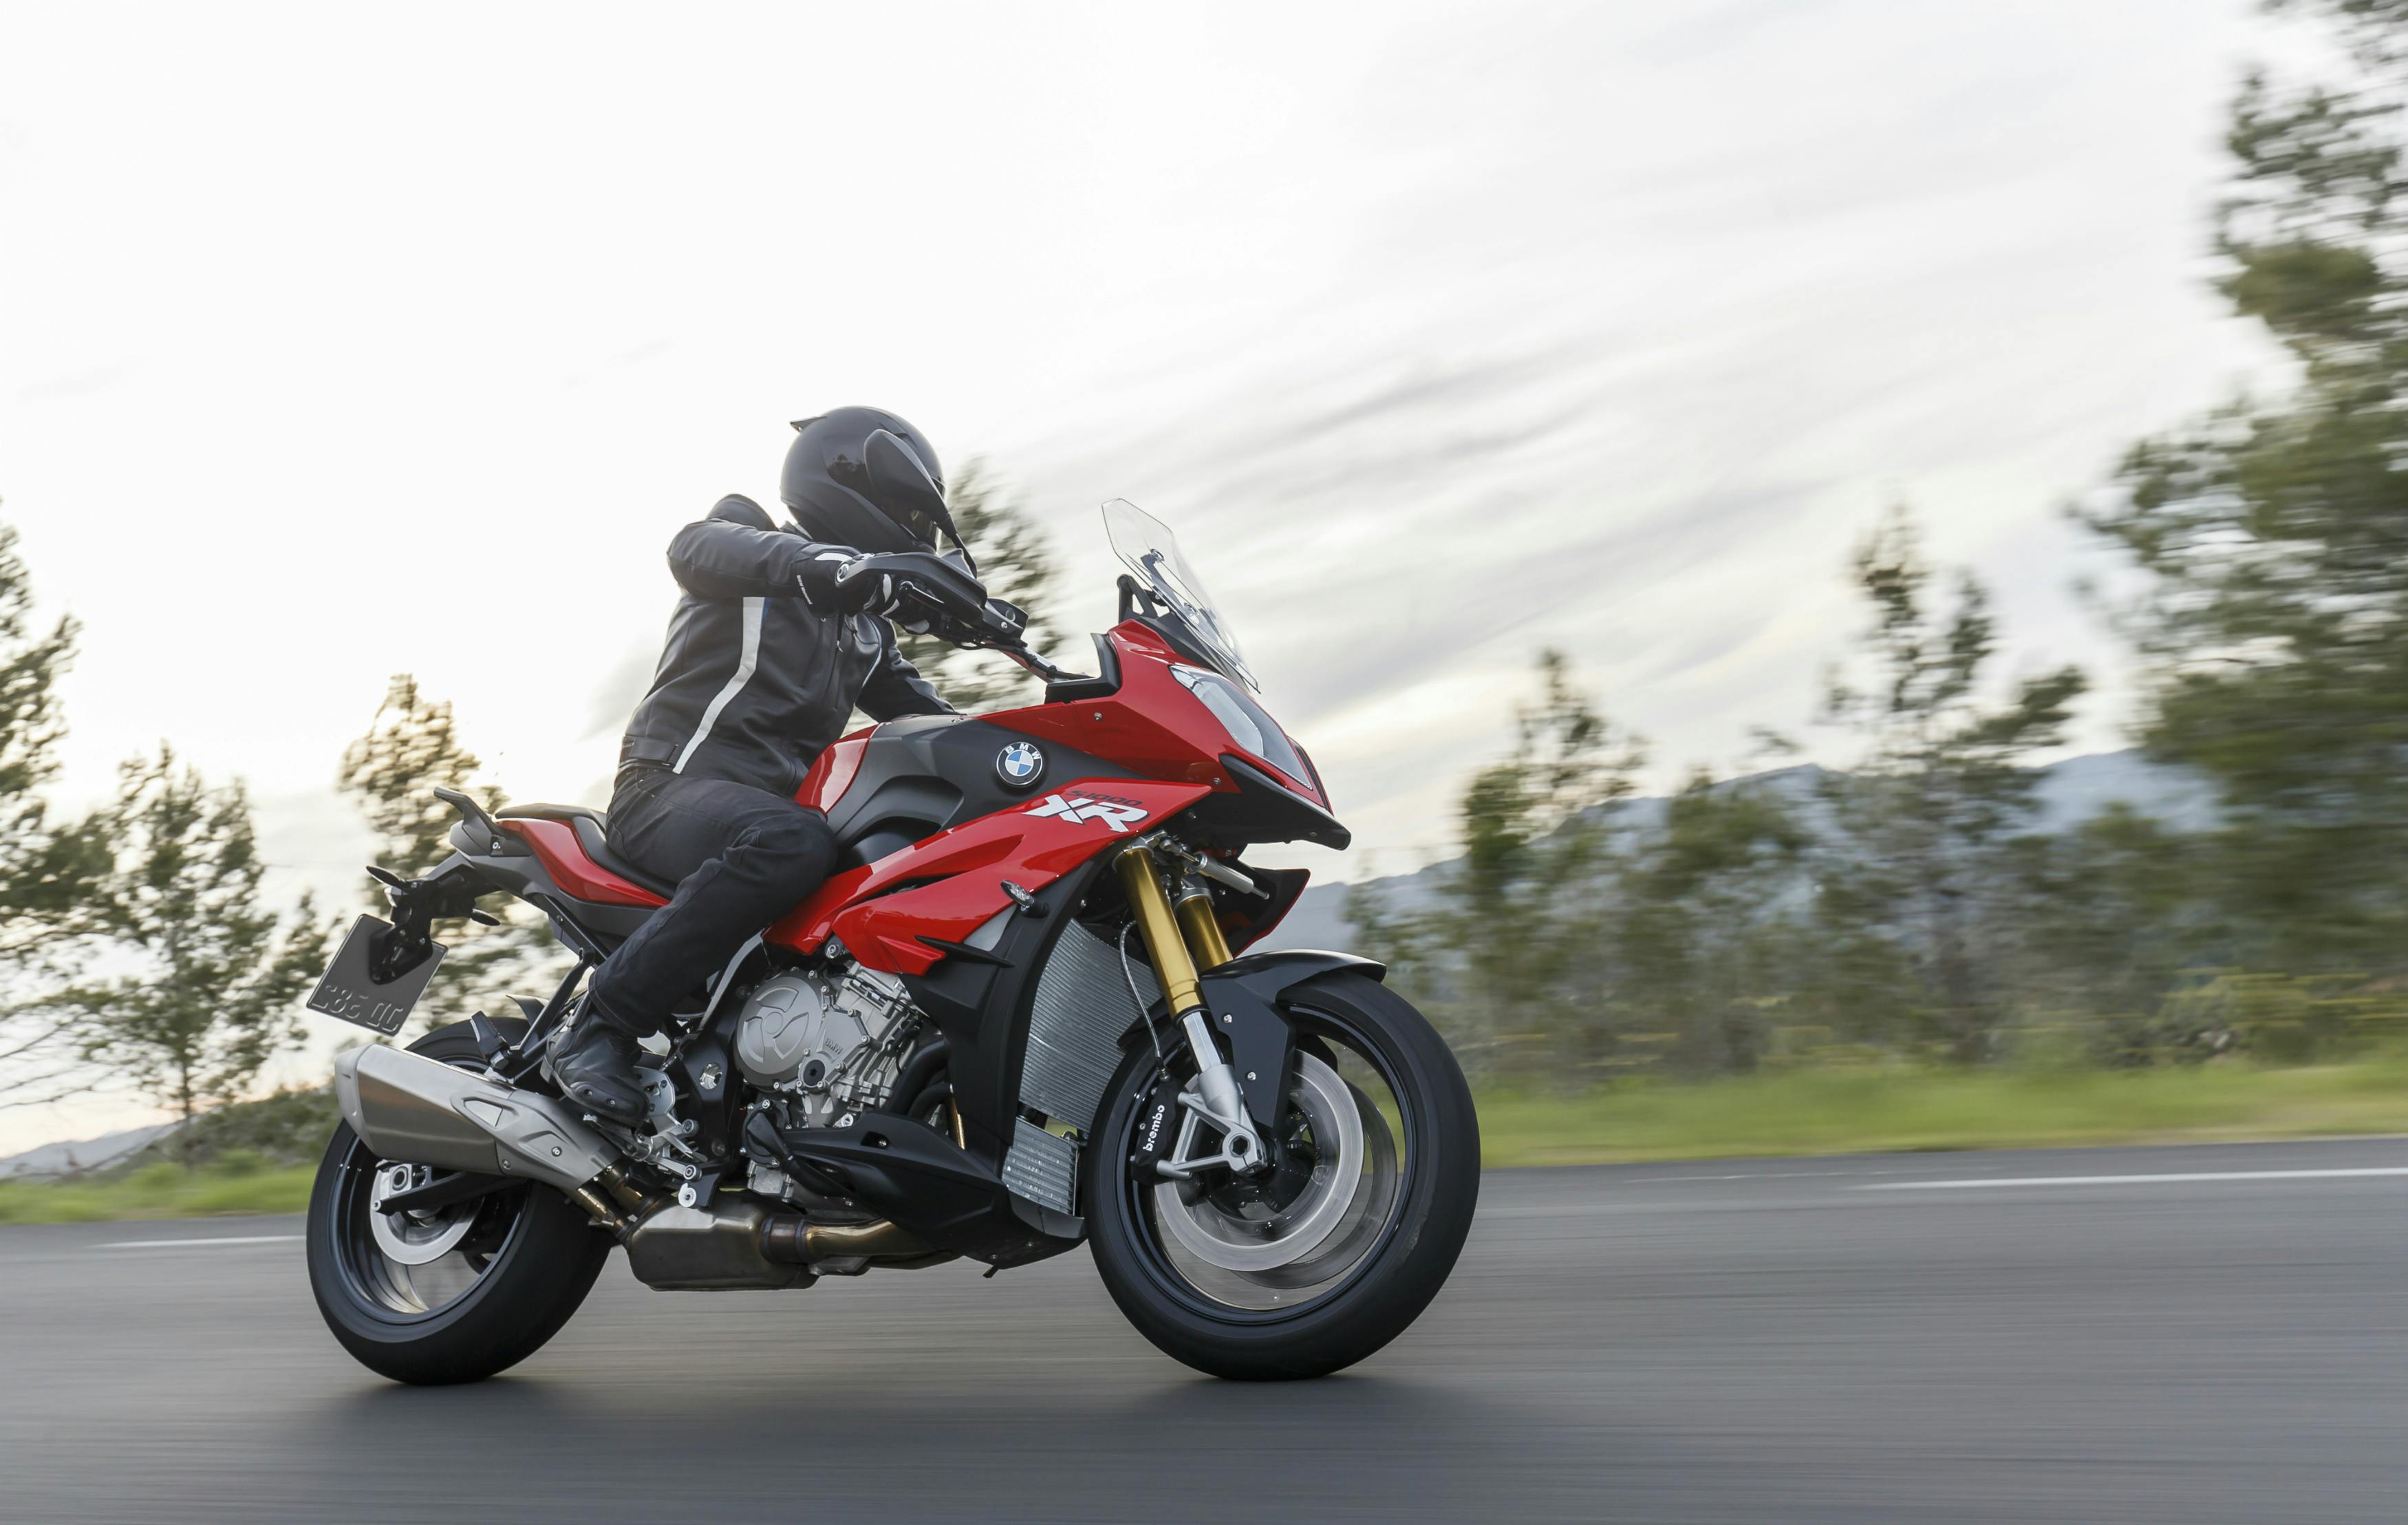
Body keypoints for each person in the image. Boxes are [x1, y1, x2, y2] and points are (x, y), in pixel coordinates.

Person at [545, 407, 971, 1124]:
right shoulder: (752, 540)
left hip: (760, 819)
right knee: (794, 841)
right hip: (664, 788)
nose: (909, 526)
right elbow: (693, 548)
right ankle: (597, 1028)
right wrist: (837, 568)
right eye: (901, 508)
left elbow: (932, 720)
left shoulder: (865, 630)